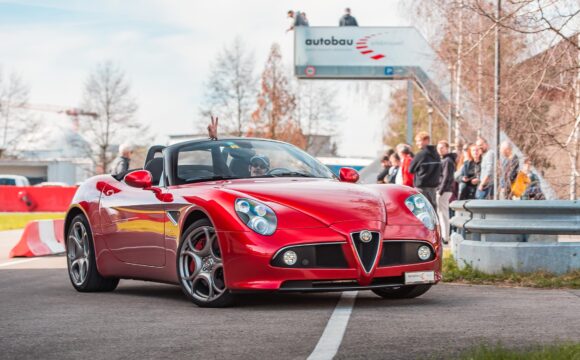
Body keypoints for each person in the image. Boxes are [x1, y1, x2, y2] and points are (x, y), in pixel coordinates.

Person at [409, 132, 441, 210]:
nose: (417, 143)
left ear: (426, 140)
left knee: (422, 210)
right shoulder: (437, 155)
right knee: (432, 210)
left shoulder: (420, 155)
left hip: (422, 188)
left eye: (419, 141)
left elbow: (410, 169)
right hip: (433, 188)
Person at [436, 140, 456, 244]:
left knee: (443, 213)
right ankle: (444, 235)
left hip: (444, 190)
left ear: (447, 148)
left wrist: (440, 190)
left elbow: (446, 177)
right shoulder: (445, 159)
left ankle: (445, 237)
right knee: (441, 213)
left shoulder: (447, 160)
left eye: (442, 148)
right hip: (443, 189)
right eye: (438, 148)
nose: (440, 150)